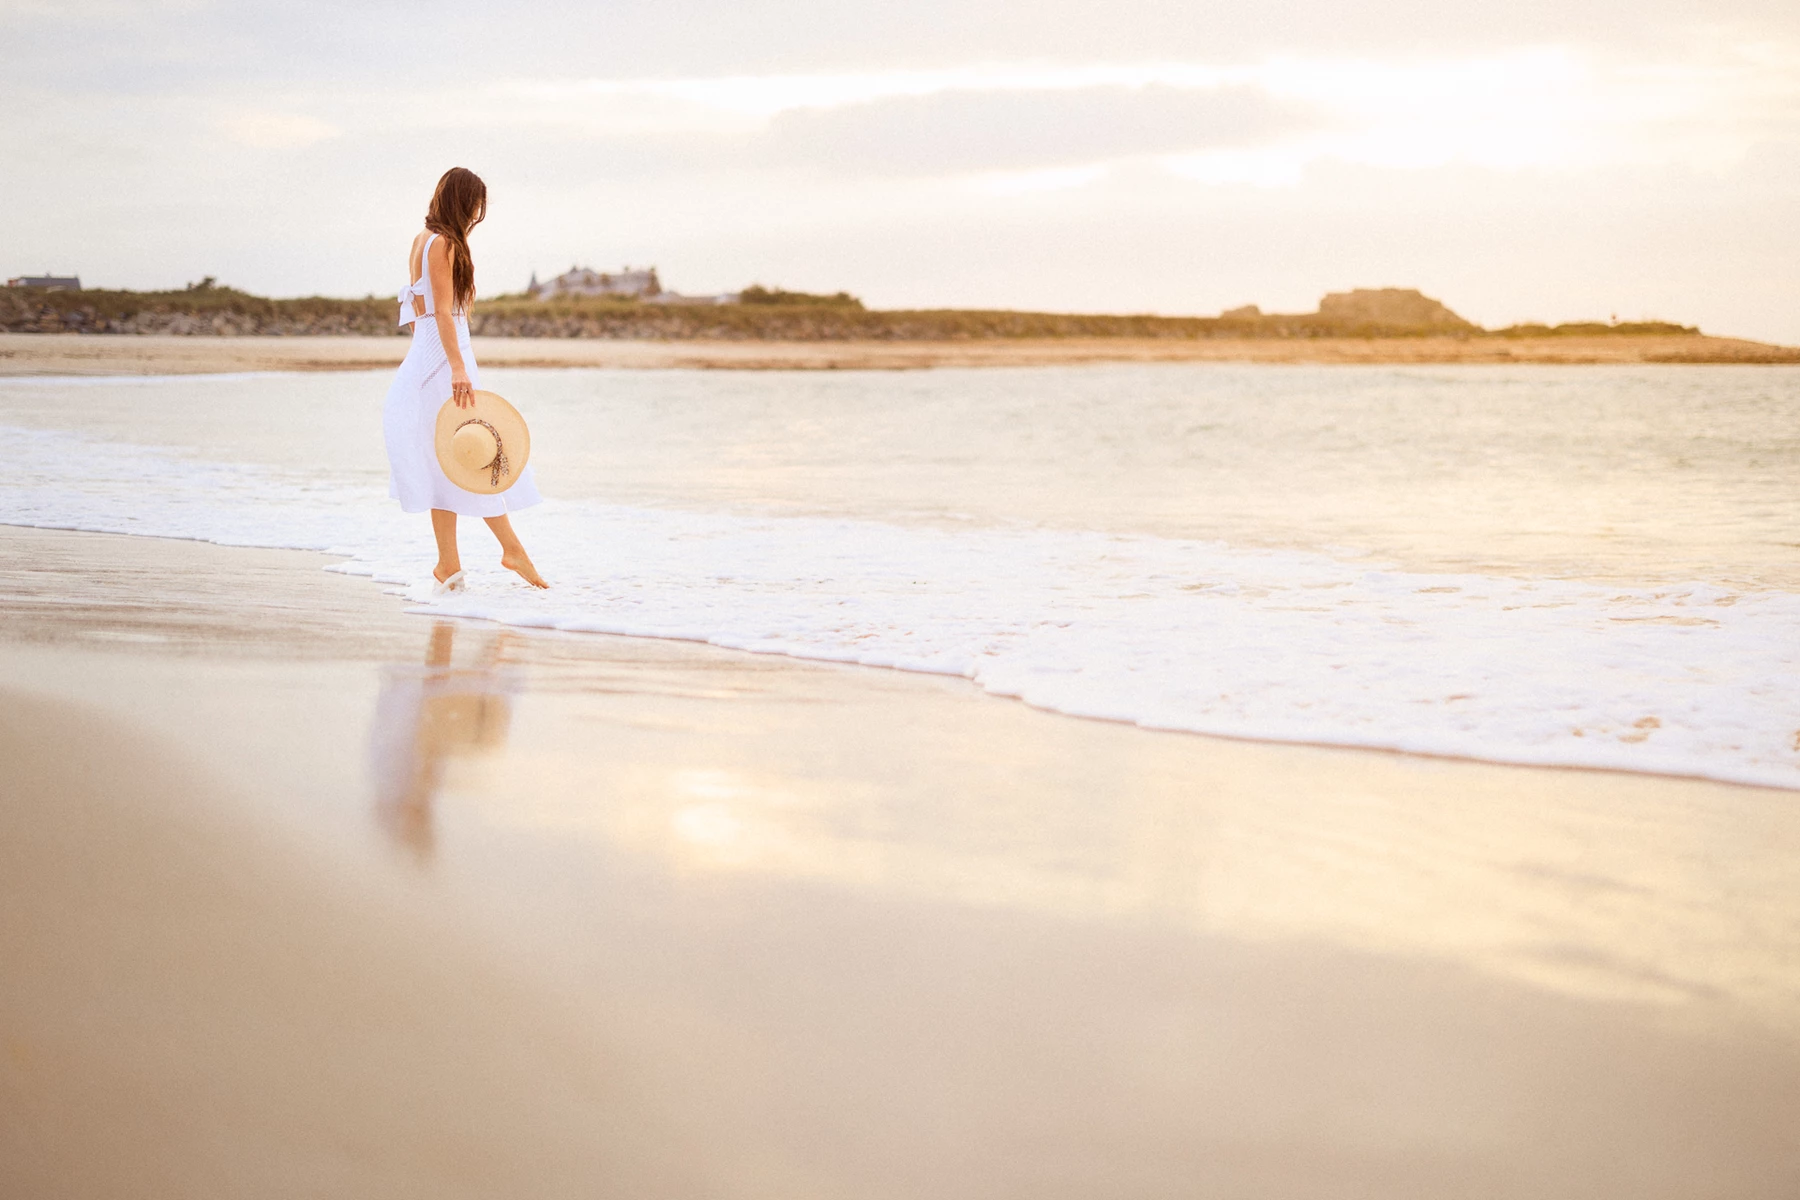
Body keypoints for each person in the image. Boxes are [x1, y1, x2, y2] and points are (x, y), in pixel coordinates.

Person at [382, 167, 548, 590]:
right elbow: (440, 311)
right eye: (475, 204)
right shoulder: (445, 244)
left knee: (449, 458)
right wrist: (455, 366)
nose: (477, 213)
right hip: (444, 359)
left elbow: (418, 311)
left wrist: (435, 359)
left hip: (428, 357)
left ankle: (448, 565)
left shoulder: (422, 240)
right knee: (479, 451)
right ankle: (512, 549)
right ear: (462, 201)